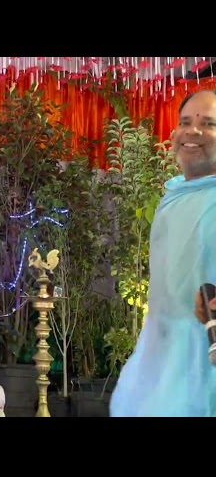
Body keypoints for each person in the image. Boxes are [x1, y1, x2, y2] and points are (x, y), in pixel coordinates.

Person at [110, 89, 216, 417]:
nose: (193, 131)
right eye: (185, 122)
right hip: (157, 363)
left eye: (208, 123)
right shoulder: (171, 197)